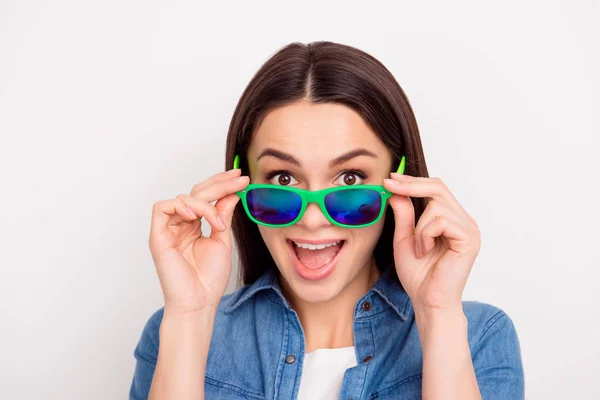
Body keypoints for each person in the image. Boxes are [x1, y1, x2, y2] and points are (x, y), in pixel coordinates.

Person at [129, 41, 524, 400]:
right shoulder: (176, 328)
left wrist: (437, 314)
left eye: (350, 178)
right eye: (283, 179)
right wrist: (190, 316)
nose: (314, 219)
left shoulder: (477, 336)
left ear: (399, 184)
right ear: (241, 184)